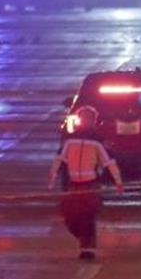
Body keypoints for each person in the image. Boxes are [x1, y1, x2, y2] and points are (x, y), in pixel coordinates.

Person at [48, 106, 124, 260]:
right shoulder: (69, 140)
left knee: (88, 217)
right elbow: (59, 159)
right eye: (84, 118)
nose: (86, 121)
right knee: (70, 218)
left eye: (89, 119)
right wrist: (52, 176)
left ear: (93, 121)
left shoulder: (98, 141)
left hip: (90, 185)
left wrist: (118, 181)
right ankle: (83, 239)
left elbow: (109, 162)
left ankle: (87, 249)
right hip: (73, 185)